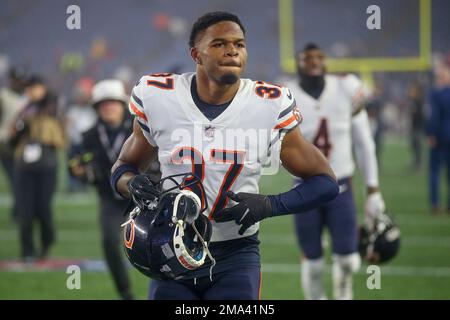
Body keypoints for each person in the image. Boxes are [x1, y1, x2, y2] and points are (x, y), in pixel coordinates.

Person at [110, 12, 339, 300]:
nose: (232, 50)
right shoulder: (159, 96)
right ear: (196, 54)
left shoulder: (268, 104)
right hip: (169, 248)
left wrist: (270, 205)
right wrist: (131, 183)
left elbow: (326, 182)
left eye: (239, 44)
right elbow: (122, 167)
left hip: (236, 255)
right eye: (219, 43)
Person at [281, 44, 386, 300]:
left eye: (319, 57)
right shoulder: (285, 94)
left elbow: (364, 142)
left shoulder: (346, 87)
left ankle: (343, 293)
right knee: (313, 262)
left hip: (341, 186)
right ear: (298, 63)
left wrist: (373, 190)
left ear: (325, 62)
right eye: (307, 58)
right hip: (304, 187)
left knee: (349, 260)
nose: (314, 62)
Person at [69, 79, 135, 299]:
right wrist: (77, 169)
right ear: (96, 108)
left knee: (156, 243)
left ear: (122, 104)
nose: (108, 107)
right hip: (108, 198)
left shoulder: (139, 128)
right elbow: (74, 161)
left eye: (113, 103)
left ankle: (166, 287)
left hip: (140, 197)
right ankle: (124, 291)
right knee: (108, 241)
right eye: (103, 104)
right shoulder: (88, 135)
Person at [12, 76, 65, 261]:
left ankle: (46, 244)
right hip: (24, 167)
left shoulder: (51, 105)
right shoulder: (24, 109)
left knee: (43, 209)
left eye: (35, 88)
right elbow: (13, 138)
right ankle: (27, 251)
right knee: (24, 211)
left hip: (46, 166)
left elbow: (53, 110)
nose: (32, 92)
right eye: (30, 88)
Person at [0, 67, 28, 221]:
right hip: (6, 143)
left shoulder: (26, 97)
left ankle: (19, 210)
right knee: (16, 179)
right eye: (17, 80)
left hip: (22, 144)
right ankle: (18, 211)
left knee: (21, 179)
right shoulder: (3, 96)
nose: (19, 83)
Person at [427, 66, 450, 214]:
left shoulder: (436, 94)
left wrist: (431, 134)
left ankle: (435, 203)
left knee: (434, 172)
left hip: (440, 136)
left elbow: (433, 116)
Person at [407, 81, 425, 170]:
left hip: (418, 126)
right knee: (413, 144)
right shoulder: (412, 100)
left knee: (417, 144)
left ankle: (419, 163)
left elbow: (420, 114)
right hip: (414, 125)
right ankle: (416, 161)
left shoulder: (419, 100)